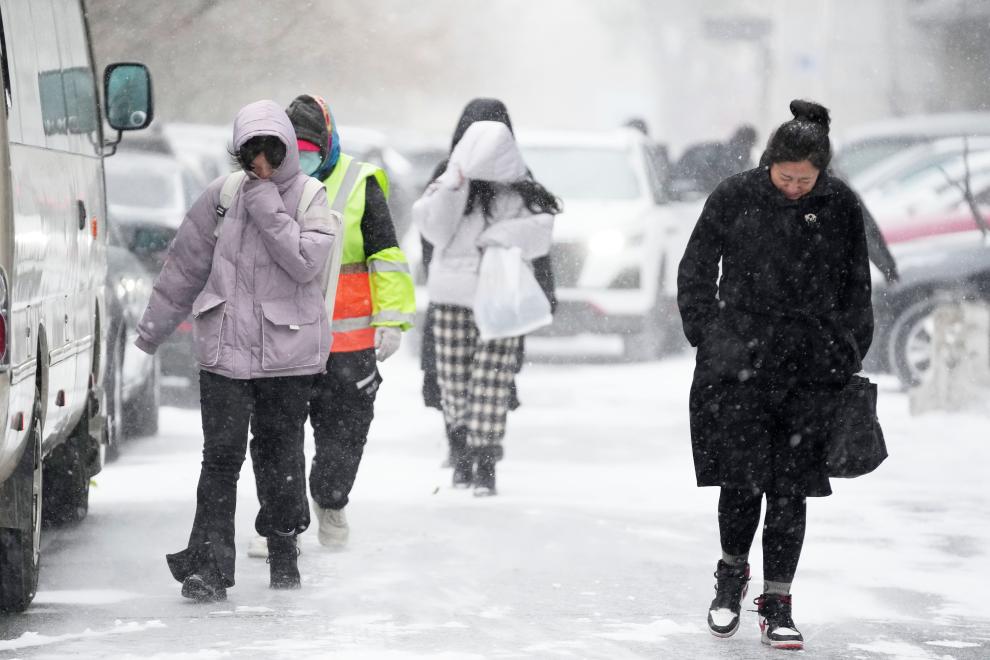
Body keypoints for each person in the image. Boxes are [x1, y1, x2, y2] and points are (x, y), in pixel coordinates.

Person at [677, 100, 873, 650]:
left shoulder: (839, 205)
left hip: (809, 365)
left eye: (804, 179)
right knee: (740, 481)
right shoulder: (734, 196)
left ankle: (779, 601)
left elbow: (857, 284)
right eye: (785, 177)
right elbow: (695, 267)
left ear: (822, 172)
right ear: (769, 164)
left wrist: (849, 349)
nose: (794, 187)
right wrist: (707, 333)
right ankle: (730, 578)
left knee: (792, 490)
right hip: (739, 361)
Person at [135, 100, 337, 601]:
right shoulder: (221, 196)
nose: (261, 165)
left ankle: (283, 551)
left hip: (286, 355)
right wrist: (151, 333)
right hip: (225, 351)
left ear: (287, 150)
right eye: (251, 154)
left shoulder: (311, 197)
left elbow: (304, 263)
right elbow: (183, 269)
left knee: (279, 454)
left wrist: (267, 204)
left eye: (271, 152)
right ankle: (207, 567)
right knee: (220, 458)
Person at [246, 94, 415, 555]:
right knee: (279, 436)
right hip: (284, 341)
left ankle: (331, 500)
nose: (300, 159)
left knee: (343, 439)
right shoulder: (262, 178)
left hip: (348, 344)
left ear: (329, 146)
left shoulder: (361, 183)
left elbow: (386, 255)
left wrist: (393, 321)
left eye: (309, 150)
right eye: (292, 149)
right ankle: (279, 524)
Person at [413, 98, 559, 496]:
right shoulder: (449, 180)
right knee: (455, 380)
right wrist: (456, 183)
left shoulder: (520, 187)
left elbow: (540, 237)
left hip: (499, 299)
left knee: (488, 382)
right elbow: (433, 233)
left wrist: (501, 243)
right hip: (458, 296)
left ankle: (482, 459)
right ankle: (464, 454)